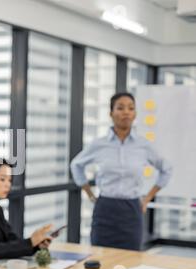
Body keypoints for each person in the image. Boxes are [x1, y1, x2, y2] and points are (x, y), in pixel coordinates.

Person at [70, 92, 172, 251]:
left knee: (130, 262)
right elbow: (76, 165)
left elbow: (166, 169)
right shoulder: (99, 144)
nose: (126, 112)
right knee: (100, 259)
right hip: (105, 208)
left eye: (131, 108)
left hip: (131, 210)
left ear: (135, 114)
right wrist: (90, 194)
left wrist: (147, 198)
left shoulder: (143, 145)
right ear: (111, 113)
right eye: (120, 108)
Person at [0, 157, 53, 263]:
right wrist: (30, 242)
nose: (8, 184)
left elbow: (11, 239)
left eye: (9, 180)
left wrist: (35, 244)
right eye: (2, 179)